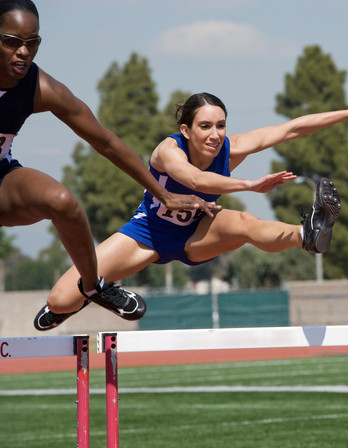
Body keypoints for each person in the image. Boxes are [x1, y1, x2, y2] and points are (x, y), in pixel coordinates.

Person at [34, 74, 348, 330]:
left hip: (197, 234)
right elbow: (194, 180)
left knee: (244, 224)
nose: (215, 134)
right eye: (205, 126)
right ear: (186, 130)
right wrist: (248, 183)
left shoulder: (230, 148)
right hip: (147, 234)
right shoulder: (168, 151)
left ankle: (307, 235)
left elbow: (289, 129)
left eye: (221, 125)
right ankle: (95, 292)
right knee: (60, 299)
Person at [0, 0, 219, 323]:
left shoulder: (41, 87)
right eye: (12, 42)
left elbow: (105, 141)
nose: (23, 52)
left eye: (32, 43)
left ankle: (92, 287)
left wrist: (163, 194)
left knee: (63, 202)